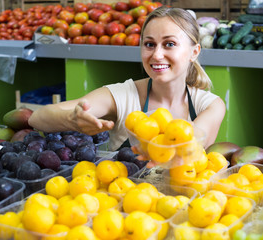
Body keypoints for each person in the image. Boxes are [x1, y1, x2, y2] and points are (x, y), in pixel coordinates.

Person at [28, 6, 226, 158]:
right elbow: (37, 118)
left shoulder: (210, 105)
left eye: (169, 44)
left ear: (194, 52)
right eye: (149, 44)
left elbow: (194, 142)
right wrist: (71, 120)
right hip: (125, 203)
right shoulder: (123, 95)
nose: (157, 55)